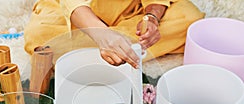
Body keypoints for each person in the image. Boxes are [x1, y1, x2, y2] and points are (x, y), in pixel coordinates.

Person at [24, 0, 205, 69]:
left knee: (189, 19)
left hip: (130, 11)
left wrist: (152, 17)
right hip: (78, 15)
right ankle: (116, 45)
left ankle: (115, 46)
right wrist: (101, 34)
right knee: (41, 37)